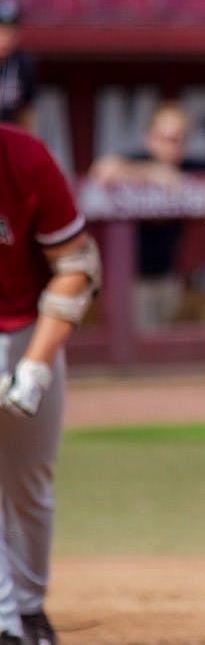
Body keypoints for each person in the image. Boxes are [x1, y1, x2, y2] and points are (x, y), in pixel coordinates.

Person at [0, 124, 101, 644]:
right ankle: (5, 623)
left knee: (29, 483)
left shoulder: (25, 158)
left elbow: (76, 265)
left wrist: (35, 368)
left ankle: (30, 607)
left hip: (26, 331)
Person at [88, 101, 205, 331]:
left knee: (164, 345)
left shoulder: (185, 165)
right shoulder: (138, 159)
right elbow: (102, 170)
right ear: (150, 138)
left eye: (180, 139)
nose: (173, 146)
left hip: (168, 279)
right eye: (167, 138)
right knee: (132, 350)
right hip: (130, 282)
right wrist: (150, 173)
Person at [0, 0, 37, 131]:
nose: (5, 38)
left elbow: (25, 111)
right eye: (1, 31)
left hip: (9, 138)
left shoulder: (24, 63)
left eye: (10, 32)